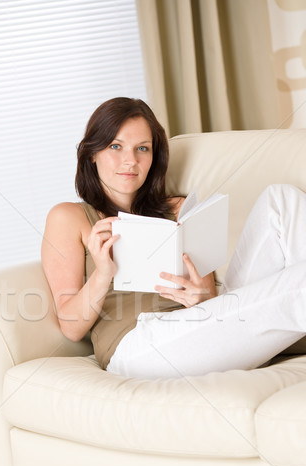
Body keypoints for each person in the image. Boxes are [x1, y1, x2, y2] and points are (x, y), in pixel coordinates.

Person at [41, 97, 306, 379]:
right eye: (115, 146)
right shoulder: (69, 217)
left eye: (142, 148)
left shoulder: (179, 210)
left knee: (282, 199)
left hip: (198, 327)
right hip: (139, 346)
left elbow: (209, 302)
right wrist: (103, 273)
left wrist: (201, 297)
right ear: (92, 153)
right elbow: (71, 327)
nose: (130, 160)